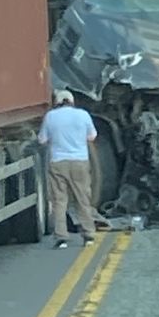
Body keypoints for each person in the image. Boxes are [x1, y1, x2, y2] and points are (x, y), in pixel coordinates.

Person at [38, 89, 98, 248]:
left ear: (57, 102)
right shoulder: (83, 115)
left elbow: (42, 139)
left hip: (58, 162)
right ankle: (88, 235)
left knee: (59, 201)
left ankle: (62, 237)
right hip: (79, 162)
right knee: (83, 199)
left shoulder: (50, 117)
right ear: (72, 101)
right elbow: (92, 136)